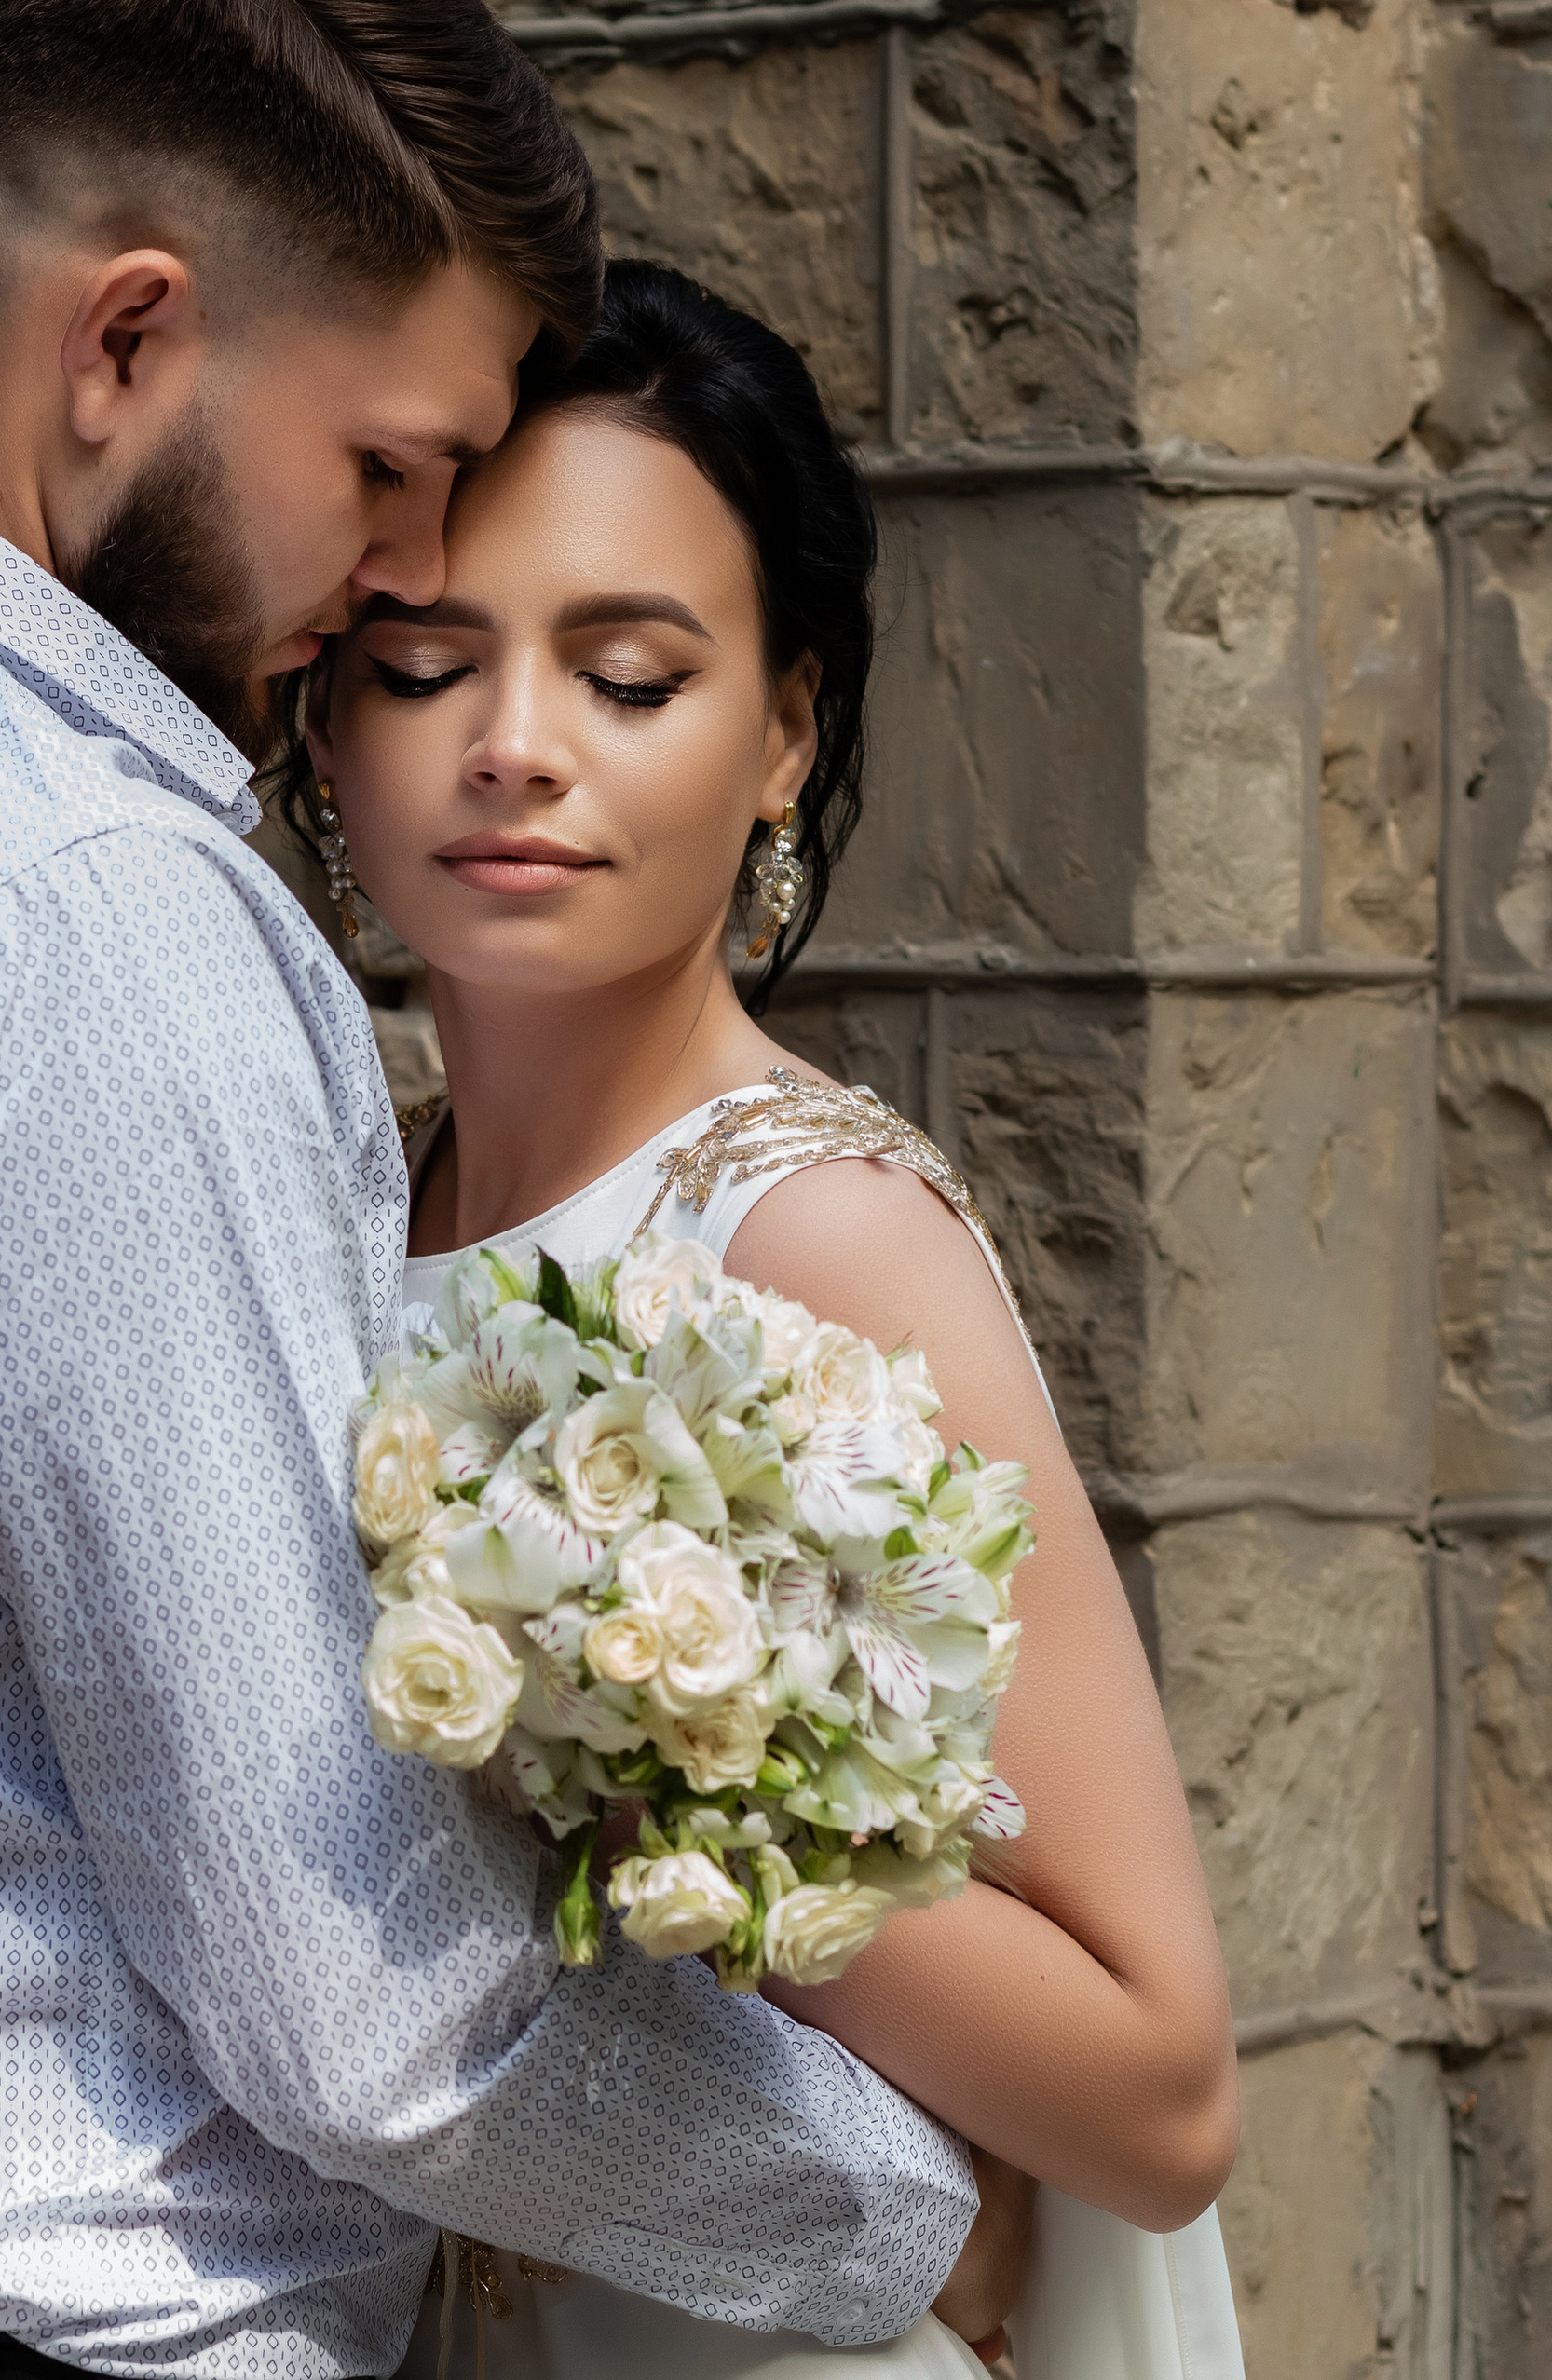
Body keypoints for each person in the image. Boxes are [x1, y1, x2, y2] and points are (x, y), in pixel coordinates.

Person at [0, 7, 997, 2377]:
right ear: (127, 337)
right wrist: (890, 2221)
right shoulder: (64, 898)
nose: (408, 568)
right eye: (390, 463)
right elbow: (353, 1987)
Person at [291, 259, 1248, 2379]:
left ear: (779, 732)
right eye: (426, 661)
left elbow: (1157, 2088)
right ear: (328, 721)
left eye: (627, 676)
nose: (514, 747)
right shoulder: (355, 1193)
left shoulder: (816, 1235)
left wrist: (635, 1772)